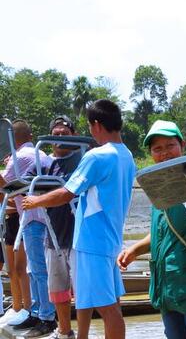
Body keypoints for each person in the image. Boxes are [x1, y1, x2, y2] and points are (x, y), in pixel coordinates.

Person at [22, 100, 136, 339]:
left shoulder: (97, 156)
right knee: (95, 299)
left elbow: (66, 193)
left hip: (92, 241)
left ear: (96, 125)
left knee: (108, 309)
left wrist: (35, 201)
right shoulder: (127, 155)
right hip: (110, 239)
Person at [117, 120, 186, 339]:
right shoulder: (158, 189)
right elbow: (161, 233)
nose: (164, 153)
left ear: (182, 145)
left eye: (170, 146)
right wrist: (135, 249)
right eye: (157, 149)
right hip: (167, 289)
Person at [0, 120, 57, 334]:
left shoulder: (20, 157)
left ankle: (45, 317)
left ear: (12, 139)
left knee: (38, 270)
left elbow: (5, 190)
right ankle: (36, 312)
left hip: (33, 217)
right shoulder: (40, 154)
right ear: (30, 135)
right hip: (41, 216)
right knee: (35, 269)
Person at [36, 116, 81, 339]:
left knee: (84, 289)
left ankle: (84, 333)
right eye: (56, 134)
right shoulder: (44, 163)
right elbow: (29, 187)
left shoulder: (83, 159)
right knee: (57, 289)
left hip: (80, 235)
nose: (60, 137)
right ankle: (64, 332)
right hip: (53, 234)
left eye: (65, 133)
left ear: (74, 135)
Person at [0, 199, 33, 327]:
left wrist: (3, 195)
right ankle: (16, 308)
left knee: (20, 269)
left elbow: (20, 202)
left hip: (21, 218)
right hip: (8, 219)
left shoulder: (19, 178)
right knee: (10, 269)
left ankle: (28, 309)